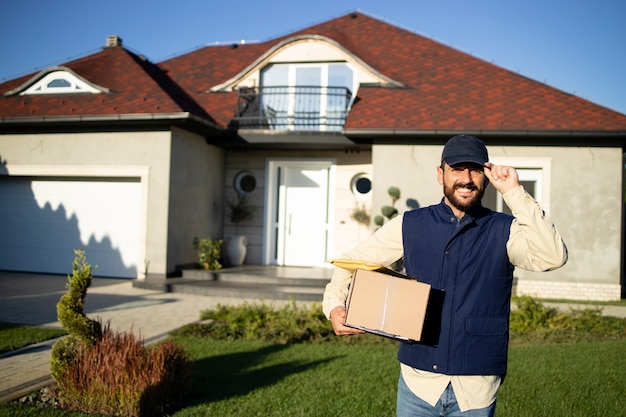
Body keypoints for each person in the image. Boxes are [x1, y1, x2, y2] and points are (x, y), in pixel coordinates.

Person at [323, 135, 567, 417]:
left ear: (487, 177)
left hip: (476, 389)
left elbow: (552, 256)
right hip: (418, 385)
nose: (466, 178)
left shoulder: (505, 229)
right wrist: (334, 306)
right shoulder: (410, 225)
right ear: (441, 174)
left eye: (475, 170)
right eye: (456, 169)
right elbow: (350, 262)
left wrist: (513, 192)